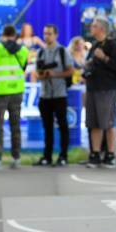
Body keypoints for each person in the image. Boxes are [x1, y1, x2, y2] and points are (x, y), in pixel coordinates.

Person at [0, 25, 29, 169]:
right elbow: (24, 68)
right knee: (16, 126)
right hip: (16, 92)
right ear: (15, 35)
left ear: (3, 34)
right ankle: (16, 158)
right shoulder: (24, 50)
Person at [33, 24, 74, 167]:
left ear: (56, 35)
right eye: (45, 33)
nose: (46, 36)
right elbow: (37, 74)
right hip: (45, 95)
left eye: (49, 33)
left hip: (59, 94)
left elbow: (70, 71)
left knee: (63, 126)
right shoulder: (40, 53)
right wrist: (42, 75)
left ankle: (63, 155)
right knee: (47, 127)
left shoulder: (62, 51)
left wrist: (55, 74)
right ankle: (47, 156)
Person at [84, 17, 116, 169]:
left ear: (102, 29)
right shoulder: (95, 45)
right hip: (92, 87)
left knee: (108, 122)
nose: (91, 28)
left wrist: (104, 57)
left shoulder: (112, 45)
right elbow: (91, 64)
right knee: (94, 123)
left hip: (106, 89)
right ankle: (95, 153)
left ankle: (110, 155)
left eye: (94, 26)